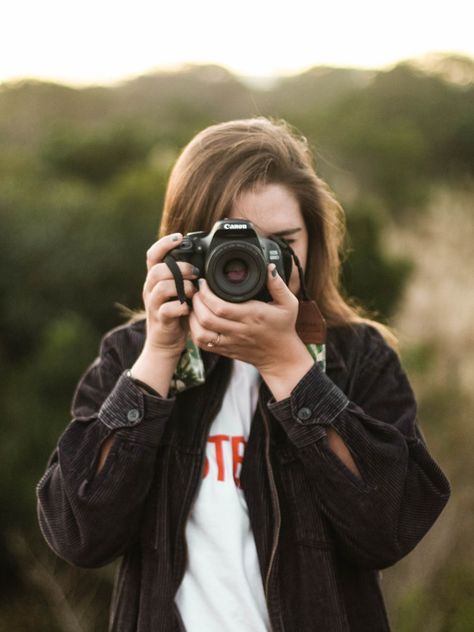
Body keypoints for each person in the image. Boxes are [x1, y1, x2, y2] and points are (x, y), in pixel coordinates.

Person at [36, 117, 451, 632]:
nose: (256, 265)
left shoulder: (358, 357)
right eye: (232, 248)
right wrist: (158, 357)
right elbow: (78, 534)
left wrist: (288, 367)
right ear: (180, 248)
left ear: (313, 242)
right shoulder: (132, 355)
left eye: (281, 241)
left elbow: (390, 526)